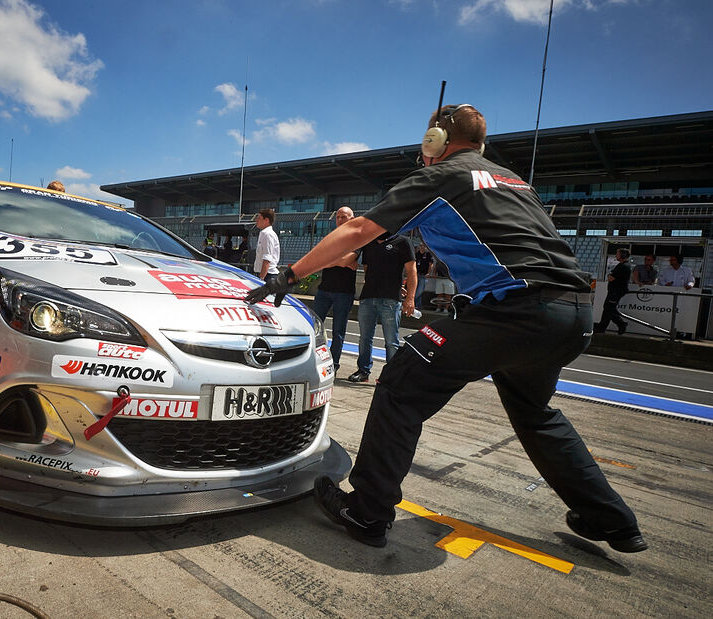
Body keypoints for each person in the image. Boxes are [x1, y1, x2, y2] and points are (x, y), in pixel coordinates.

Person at [246, 103, 645, 553]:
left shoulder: (441, 176)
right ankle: (613, 519)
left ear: (435, 141)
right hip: (573, 314)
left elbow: (358, 229)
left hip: (512, 312)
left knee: (400, 385)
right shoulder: (516, 181)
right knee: (535, 413)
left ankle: (368, 511)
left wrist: (289, 276)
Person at [345, 230, 416, 383]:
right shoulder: (369, 242)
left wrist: (410, 298)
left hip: (390, 299)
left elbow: (412, 271)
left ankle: (391, 376)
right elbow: (367, 268)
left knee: (391, 341)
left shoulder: (402, 241)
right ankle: (363, 371)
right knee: (365, 338)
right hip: (368, 298)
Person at [312, 207, 357, 374]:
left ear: (352, 219)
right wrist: (338, 260)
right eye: (338, 217)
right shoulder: (329, 237)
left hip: (344, 292)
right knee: (314, 327)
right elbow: (320, 260)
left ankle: (334, 364)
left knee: (338, 331)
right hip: (324, 290)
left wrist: (330, 259)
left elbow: (347, 260)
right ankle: (313, 359)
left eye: (344, 217)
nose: (340, 220)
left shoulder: (356, 240)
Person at [594, 248, 631, 335]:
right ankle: (617, 324)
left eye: (617, 254)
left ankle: (608, 326)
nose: (616, 255)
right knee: (609, 308)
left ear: (622, 255)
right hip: (615, 291)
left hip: (616, 291)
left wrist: (610, 275)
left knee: (608, 308)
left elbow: (611, 278)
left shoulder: (623, 266)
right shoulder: (622, 265)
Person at [253, 208, 279, 281]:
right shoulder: (264, 233)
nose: (256, 220)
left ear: (266, 220)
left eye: (259, 218)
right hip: (265, 275)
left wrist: (261, 278)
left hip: (267, 276)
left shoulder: (267, 234)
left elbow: (267, 259)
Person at [413, 240, 433, 306]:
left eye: (424, 246)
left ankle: (413, 301)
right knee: (416, 290)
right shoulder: (417, 254)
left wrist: (428, 273)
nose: (422, 247)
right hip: (416, 275)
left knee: (420, 291)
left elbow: (431, 264)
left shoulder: (428, 255)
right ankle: (417, 305)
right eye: (421, 246)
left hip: (423, 275)